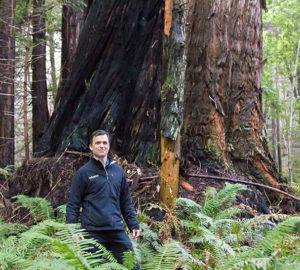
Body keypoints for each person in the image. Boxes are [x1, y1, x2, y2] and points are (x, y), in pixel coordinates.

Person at [66, 129, 141, 269]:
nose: (102, 146)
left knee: (132, 266)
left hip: (116, 230)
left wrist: (133, 223)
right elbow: (73, 204)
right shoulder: (83, 173)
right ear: (91, 146)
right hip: (91, 232)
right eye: (98, 143)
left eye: (105, 143)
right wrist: (73, 230)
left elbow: (125, 201)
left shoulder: (118, 171)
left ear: (108, 145)